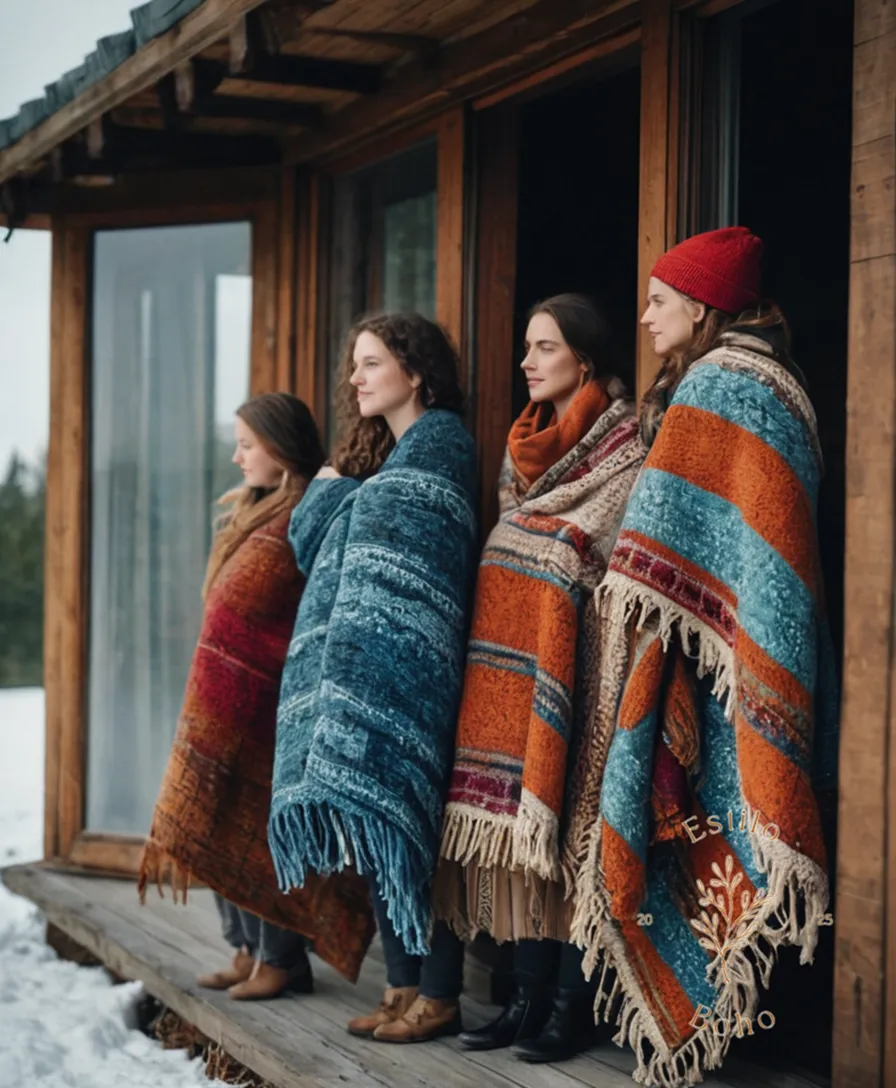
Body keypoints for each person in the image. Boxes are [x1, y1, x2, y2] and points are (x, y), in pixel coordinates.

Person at [577, 228, 837, 1087]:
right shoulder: (779, 384)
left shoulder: (724, 383)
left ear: (702, 305)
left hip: (715, 666)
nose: (646, 316)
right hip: (744, 651)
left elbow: (649, 546)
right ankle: (744, 1026)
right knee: (741, 814)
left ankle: (733, 1027)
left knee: (724, 797)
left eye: (659, 300)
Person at [434, 294, 645, 1062]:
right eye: (527, 345)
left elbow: (600, 547)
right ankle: (522, 996)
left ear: (583, 360)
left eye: (544, 347)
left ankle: (568, 1005)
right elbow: (523, 536)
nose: (526, 361)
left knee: (571, 832)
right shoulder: (522, 451)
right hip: (516, 668)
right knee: (524, 844)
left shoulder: (626, 445)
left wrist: (545, 552)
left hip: (590, 668)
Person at [269, 314, 480, 1043]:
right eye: (353, 365)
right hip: (372, 668)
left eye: (370, 363)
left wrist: (334, 493)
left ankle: (439, 994)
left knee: (410, 819)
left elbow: (393, 534)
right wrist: (335, 496)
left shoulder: (442, 444)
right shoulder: (385, 457)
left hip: (414, 664)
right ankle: (402, 984)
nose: (354, 378)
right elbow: (311, 540)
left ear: (415, 372)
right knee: (379, 823)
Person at [139, 393, 374, 1001]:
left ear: (282, 449)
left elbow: (291, 612)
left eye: (248, 444)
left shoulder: (303, 516)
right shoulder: (251, 512)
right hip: (226, 702)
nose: (238, 455)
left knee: (263, 828)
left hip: (274, 701)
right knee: (218, 818)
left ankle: (282, 959)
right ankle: (245, 949)